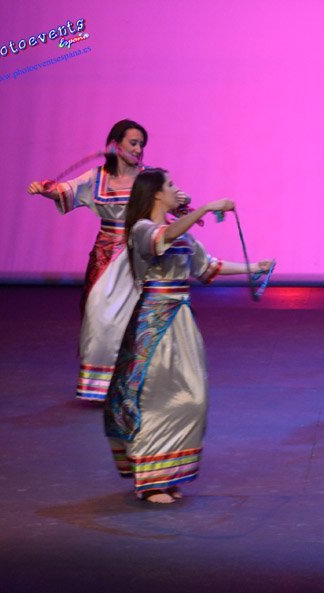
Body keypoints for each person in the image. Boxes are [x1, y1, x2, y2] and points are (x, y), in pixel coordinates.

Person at [104, 169, 274, 504]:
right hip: (154, 322)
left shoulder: (181, 234)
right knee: (155, 398)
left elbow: (207, 266)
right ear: (156, 193)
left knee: (193, 398)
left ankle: (166, 473)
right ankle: (151, 482)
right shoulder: (142, 229)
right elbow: (162, 237)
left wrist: (253, 268)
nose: (177, 190)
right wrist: (206, 208)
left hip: (181, 320)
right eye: (170, 185)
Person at [27, 120, 189, 401]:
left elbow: (175, 202)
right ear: (115, 145)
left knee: (138, 319)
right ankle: (100, 385)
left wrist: (183, 201)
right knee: (99, 316)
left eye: (141, 145)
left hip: (141, 255)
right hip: (107, 257)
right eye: (133, 143)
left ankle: (138, 382)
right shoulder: (96, 177)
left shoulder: (148, 178)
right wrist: (44, 188)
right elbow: (65, 190)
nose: (138, 149)